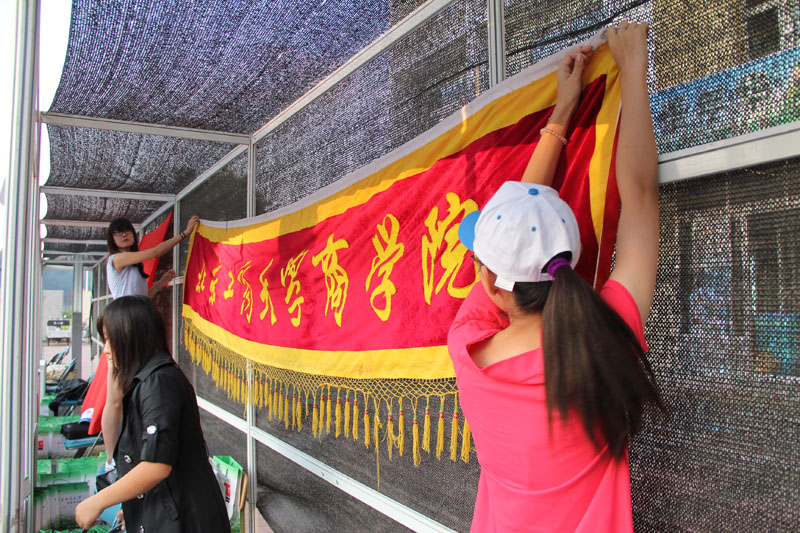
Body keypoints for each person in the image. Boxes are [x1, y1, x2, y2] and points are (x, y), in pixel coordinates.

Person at [449, 22, 664, 532]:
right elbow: (639, 196)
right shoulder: (605, 341)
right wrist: (635, 68)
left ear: (491, 284)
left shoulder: (468, 348)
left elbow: (518, 234)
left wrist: (562, 113)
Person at [75, 295, 231, 532]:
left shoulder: (159, 383)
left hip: (188, 519)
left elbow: (156, 466)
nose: (105, 350)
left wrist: (98, 501)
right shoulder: (146, 380)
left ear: (130, 336)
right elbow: (114, 411)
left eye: (109, 339)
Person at [94, 215, 200, 470]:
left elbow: (141, 296)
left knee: (136, 387)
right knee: (115, 396)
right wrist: (184, 234)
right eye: (118, 232)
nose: (123, 235)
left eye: (127, 231)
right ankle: (110, 460)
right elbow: (154, 252)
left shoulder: (133, 267)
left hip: (139, 324)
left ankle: (137, 447)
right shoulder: (116, 259)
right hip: (122, 324)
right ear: (112, 239)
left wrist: (160, 284)